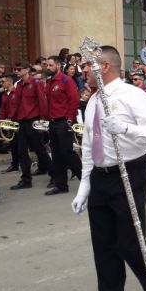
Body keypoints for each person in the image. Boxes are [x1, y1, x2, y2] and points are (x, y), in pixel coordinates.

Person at [71, 45, 146, 291]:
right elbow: (89, 145)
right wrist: (84, 184)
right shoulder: (92, 102)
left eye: (87, 66)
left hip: (129, 173)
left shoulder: (133, 95)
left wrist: (126, 128)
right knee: (103, 247)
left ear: (103, 66)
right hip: (101, 177)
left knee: (130, 242)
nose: (83, 72)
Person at [9, 63, 52, 190]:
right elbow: (16, 103)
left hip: (33, 120)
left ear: (27, 70)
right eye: (15, 69)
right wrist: (13, 118)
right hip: (22, 121)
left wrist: (43, 121)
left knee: (39, 150)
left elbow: (42, 102)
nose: (16, 71)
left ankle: (54, 175)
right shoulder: (19, 85)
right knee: (21, 151)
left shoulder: (35, 83)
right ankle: (26, 179)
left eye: (19, 69)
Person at [45, 56, 83, 195]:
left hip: (64, 121)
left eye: (50, 65)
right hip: (52, 122)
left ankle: (85, 181)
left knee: (67, 152)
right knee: (56, 154)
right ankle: (61, 185)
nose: (48, 67)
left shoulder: (66, 80)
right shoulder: (49, 82)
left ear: (58, 65)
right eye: (47, 65)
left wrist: (70, 119)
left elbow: (74, 101)